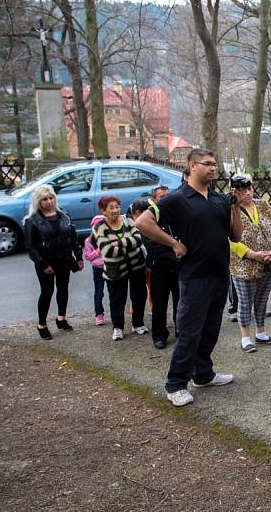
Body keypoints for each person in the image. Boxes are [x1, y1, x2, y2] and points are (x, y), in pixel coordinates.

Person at [135, 148, 243, 408]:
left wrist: (235, 208)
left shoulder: (219, 199)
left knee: (210, 330)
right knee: (190, 333)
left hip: (219, 274)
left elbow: (236, 236)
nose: (213, 168)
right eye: (207, 164)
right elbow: (143, 223)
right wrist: (173, 243)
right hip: (194, 277)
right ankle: (175, 384)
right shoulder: (177, 199)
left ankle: (203, 374)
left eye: (214, 164)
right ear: (192, 166)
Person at [229, 174, 271, 353]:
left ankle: (261, 332)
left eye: (249, 189)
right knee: (245, 302)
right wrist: (252, 254)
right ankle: (245, 338)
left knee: (262, 299)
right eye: (243, 190)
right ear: (234, 191)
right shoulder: (230, 209)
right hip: (244, 266)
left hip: (268, 261)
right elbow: (229, 240)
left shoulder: (263, 205)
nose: (248, 193)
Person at [23, 185, 84, 340]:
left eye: (51, 198)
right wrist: (43, 264)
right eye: (45, 199)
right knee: (47, 292)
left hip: (64, 259)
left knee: (63, 289)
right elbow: (31, 247)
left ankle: (61, 318)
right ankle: (42, 324)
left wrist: (79, 257)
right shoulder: (32, 221)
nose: (49, 202)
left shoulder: (64, 215)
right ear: (38, 201)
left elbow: (73, 239)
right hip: (46, 262)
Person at [91, 195, 148, 341]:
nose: (115, 210)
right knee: (117, 300)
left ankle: (138, 323)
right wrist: (128, 245)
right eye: (111, 208)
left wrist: (118, 242)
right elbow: (108, 252)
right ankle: (118, 327)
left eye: (117, 207)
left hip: (136, 266)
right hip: (114, 270)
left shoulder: (128, 219)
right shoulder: (99, 227)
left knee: (139, 296)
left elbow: (138, 239)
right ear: (103, 211)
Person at [144, 187, 180, 349]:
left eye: (167, 196)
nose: (165, 199)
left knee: (181, 300)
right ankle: (159, 334)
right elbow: (153, 246)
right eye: (161, 197)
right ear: (155, 199)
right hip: (160, 268)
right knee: (159, 303)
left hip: (179, 268)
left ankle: (180, 327)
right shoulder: (150, 219)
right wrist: (176, 254)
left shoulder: (176, 216)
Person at [83, 214, 107, 325]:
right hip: (98, 269)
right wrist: (98, 251)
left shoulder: (108, 237)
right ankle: (99, 314)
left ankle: (117, 312)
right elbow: (88, 256)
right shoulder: (88, 241)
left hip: (111, 267)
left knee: (114, 292)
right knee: (99, 292)